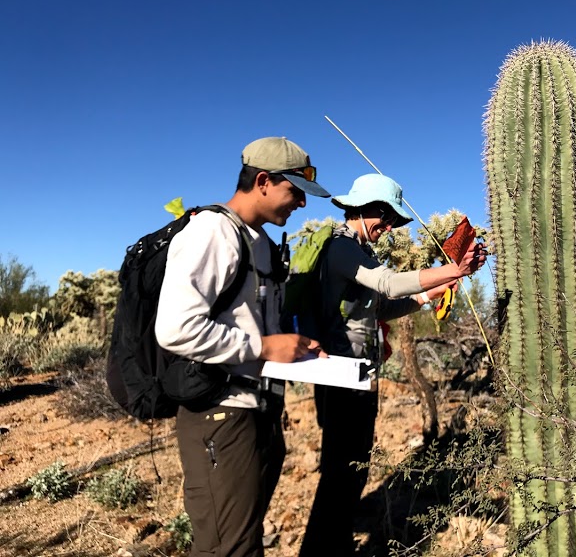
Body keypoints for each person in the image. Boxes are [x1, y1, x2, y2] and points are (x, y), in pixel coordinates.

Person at [155, 136, 330, 557]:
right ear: (264, 181)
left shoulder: (262, 244)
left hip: (260, 411)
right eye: (295, 193)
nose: (301, 205)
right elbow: (175, 328)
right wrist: (265, 348)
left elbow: (256, 325)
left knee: (244, 538)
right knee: (227, 548)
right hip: (220, 414)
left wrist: (298, 350)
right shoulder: (213, 232)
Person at [298, 173, 487, 557]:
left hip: (358, 374)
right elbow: (386, 284)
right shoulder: (341, 247)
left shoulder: (360, 253)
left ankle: (333, 543)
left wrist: (425, 296)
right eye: (384, 219)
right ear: (365, 210)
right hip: (338, 375)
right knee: (341, 471)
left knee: (354, 467)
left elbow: (381, 306)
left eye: (392, 222)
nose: (388, 228)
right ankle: (320, 549)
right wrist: (454, 270)